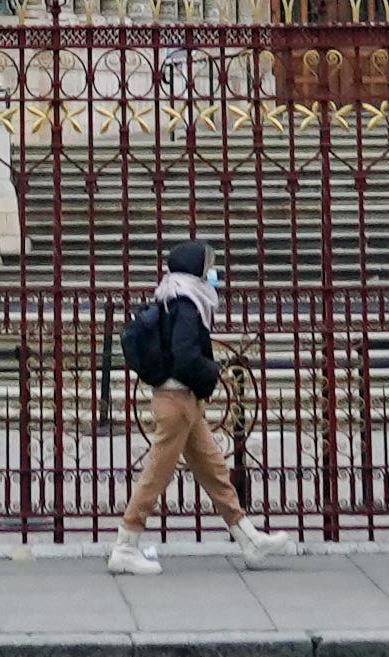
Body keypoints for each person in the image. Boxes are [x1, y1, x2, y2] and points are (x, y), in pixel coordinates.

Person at [106, 238, 277, 574]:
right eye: (209, 266)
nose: (212, 272)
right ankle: (126, 545)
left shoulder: (174, 296)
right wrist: (211, 371)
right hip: (177, 399)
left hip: (183, 399)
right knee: (158, 472)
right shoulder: (186, 302)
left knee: (214, 470)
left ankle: (248, 539)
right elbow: (185, 356)